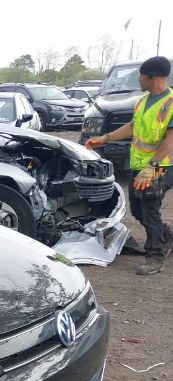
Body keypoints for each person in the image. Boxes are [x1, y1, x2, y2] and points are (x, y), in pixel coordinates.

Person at [86, 56, 173, 275]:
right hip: (140, 165)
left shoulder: (170, 103)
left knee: (148, 207)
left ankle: (155, 255)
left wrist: (152, 166)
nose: (139, 78)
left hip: (162, 165)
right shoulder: (143, 101)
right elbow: (132, 127)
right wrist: (104, 138)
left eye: (141, 75)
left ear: (152, 77)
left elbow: (170, 141)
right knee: (137, 209)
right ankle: (165, 237)